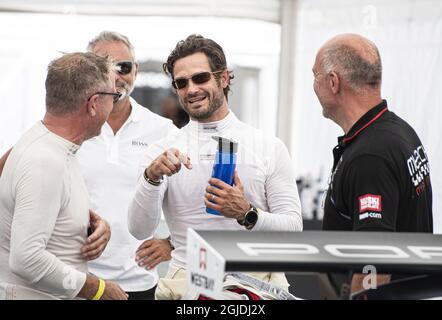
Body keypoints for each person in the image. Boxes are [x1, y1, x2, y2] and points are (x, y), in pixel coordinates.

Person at [128, 34, 303, 300]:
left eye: (200, 78)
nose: (191, 89)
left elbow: (293, 230)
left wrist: (247, 213)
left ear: (223, 78)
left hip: (253, 285)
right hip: (186, 283)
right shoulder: (161, 151)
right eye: (181, 83)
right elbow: (139, 230)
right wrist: (151, 178)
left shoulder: (268, 146)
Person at [0, 52, 127, 299]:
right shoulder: (45, 160)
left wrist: (87, 224)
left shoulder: (51, 145)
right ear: (93, 104)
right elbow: (26, 259)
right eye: (114, 96)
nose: (114, 105)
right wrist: (100, 289)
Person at [312, 33, 433, 293]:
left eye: (315, 76)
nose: (314, 85)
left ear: (333, 82)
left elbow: (374, 263)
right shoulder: (399, 130)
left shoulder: (370, 157)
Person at [76, 31, 178, 300]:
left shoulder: (162, 130)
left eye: (124, 66)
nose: (116, 76)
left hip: (140, 283)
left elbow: (196, 199)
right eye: (104, 67)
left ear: (136, 70)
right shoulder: (71, 126)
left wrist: (172, 244)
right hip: (80, 281)